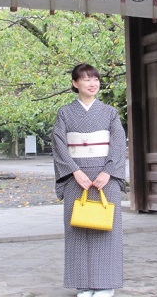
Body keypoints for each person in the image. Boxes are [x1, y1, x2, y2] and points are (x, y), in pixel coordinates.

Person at [52, 63, 127, 297]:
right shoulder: (65, 113)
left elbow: (117, 144)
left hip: (106, 178)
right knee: (78, 229)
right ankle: (83, 285)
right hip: (77, 178)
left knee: (107, 230)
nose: (92, 83)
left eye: (95, 79)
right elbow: (59, 144)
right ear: (75, 83)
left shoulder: (110, 113)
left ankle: (106, 284)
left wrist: (108, 172)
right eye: (86, 79)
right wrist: (74, 171)